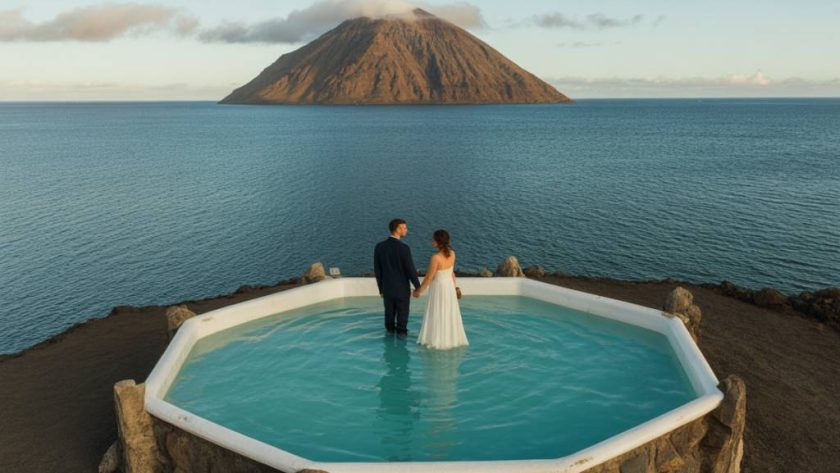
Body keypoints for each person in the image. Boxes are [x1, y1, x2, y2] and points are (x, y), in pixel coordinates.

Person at [413, 230, 469, 350]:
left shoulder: (435, 258)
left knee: (437, 312)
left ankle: (436, 340)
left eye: (433, 239)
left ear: (437, 242)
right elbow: (451, 273)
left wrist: (418, 291)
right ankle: (451, 339)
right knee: (448, 312)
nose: (432, 241)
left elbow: (429, 278)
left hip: (439, 288)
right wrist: (454, 287)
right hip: (448, 287)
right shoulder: (453, 254)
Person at [374, 219, 422, 337]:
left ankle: (389, 337)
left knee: (389, 316)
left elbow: (377, 270)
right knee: (402, 316)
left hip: (387, 288)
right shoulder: (404, 248)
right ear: (398, 229)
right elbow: (411, 270)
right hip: (402, 289)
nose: (407, 230)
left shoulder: (379, 247)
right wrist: (418, 287)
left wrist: (381, 289)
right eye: (404, 228)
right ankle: (401, 338)